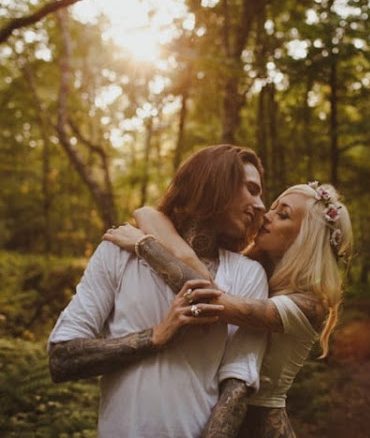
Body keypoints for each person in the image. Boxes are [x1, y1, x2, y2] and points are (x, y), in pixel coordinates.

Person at [47, 144, 269, 438]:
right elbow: (61, 358)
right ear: (215, 184)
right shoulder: (119, 251)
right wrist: (155, 336)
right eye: (251, 189)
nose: (262, 205)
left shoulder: (248, 274)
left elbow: (238, 384)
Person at [104, 181, 353, 437]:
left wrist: (146, 246)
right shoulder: (255, 274)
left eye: (282, 215)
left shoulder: (309, 304)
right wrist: (146, 214)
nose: (265, 216)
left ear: (305, 239)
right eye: (273, 207)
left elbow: (209, 301)